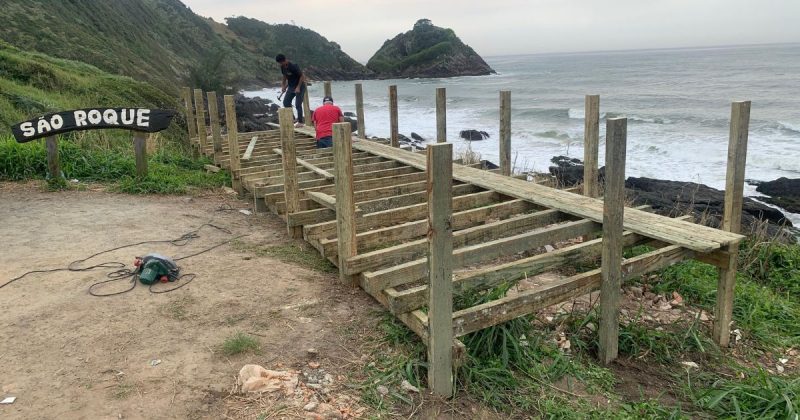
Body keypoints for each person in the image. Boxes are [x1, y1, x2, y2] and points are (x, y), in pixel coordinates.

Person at [275, 53, 306, 128]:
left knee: (298, 104)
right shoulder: (282, 67)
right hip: (291, 87)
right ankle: (293, 118)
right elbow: (285, 76)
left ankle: (300, 122)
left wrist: (298, 87)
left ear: (284, 60)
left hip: (300, 86)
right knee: (286, 102)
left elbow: (302, 76)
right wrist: (283, 85)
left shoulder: (293, 66)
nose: (280, 64)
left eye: (281, 62)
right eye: (279, 63)